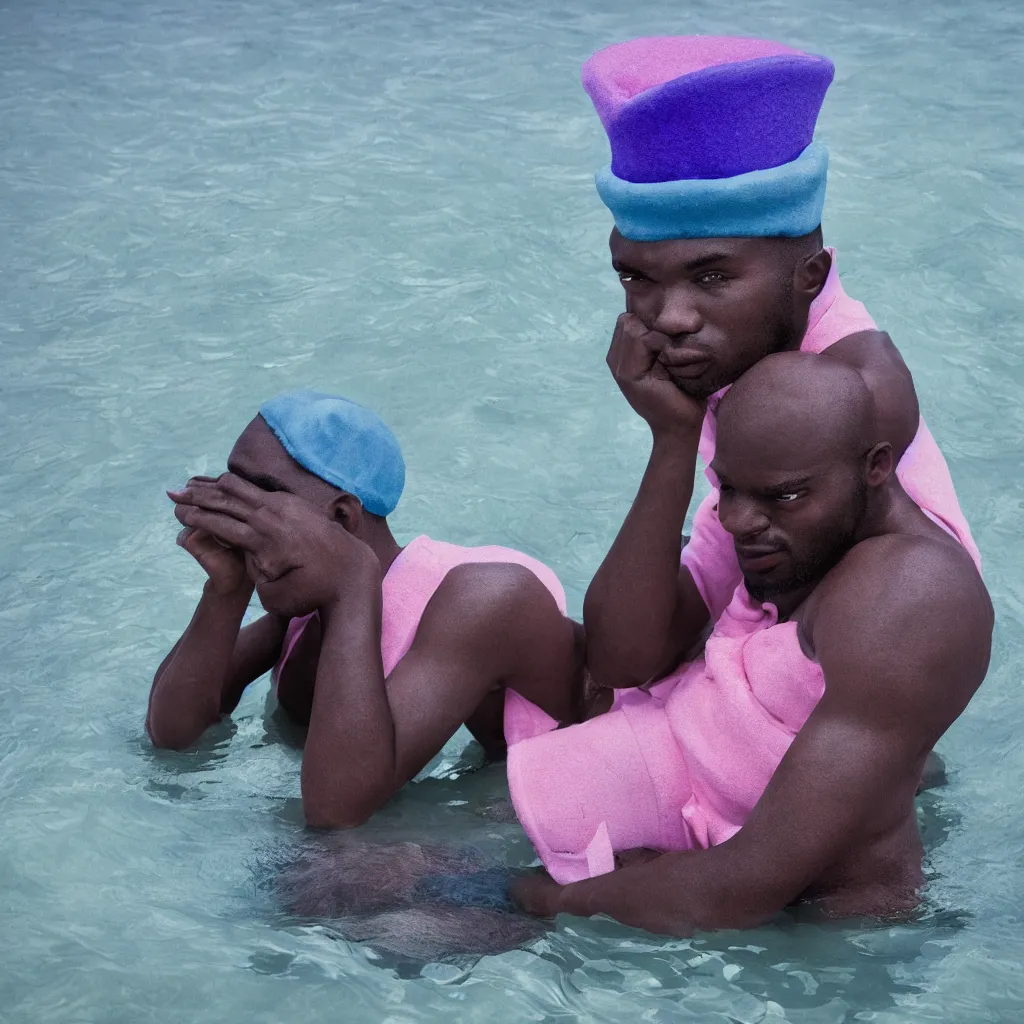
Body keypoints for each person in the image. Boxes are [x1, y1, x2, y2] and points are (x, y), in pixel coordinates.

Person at [507, 352, 992, 932]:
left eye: (782, 496)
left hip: (820, 945)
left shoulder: (913, 597)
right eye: (727, 488)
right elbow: (618, 661)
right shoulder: (810, 538)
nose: (737, 521)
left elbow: (739, 890)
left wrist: (537, 901)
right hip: (714, 869)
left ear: (877, 467)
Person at [565, 36, 981, 698]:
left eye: (711, 275)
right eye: (637, 277)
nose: (670, 316)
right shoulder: (741, 366)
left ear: (810, 276)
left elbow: (798, 681)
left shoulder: (857, 392)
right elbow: (621, 660)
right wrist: (672, 437)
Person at [146, 390, 584, 828]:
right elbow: (173, 737)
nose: (241, 520)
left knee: (334, 878)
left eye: (262, 506)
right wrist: (226, 588)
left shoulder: (480, 601)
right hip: (419, 802)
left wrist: (351, 584)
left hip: (550, 808)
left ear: (341, 517)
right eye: (231, 495)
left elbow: (336, 811)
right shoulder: (301, 604)